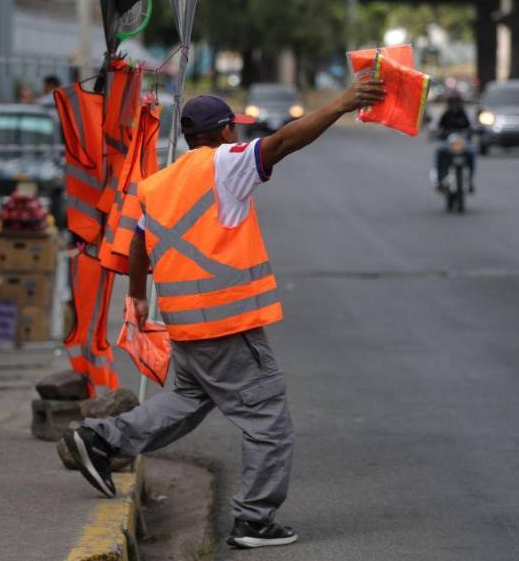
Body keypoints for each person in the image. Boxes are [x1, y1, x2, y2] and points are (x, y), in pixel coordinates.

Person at [63, 78, 386, 549]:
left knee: (182, 404)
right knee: (269, 422)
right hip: (226, 324)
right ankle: (254, 519)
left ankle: (99, 440)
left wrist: (135, 295)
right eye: (233, 130)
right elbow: (282, 142)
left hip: (185, 324)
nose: (238, 137)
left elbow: (136, 240)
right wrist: (342, 103)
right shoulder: (227, 165)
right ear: (223, 133)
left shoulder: (157, 185)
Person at [434, 91, 475, 193]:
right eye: (452, 102)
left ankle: (469, 180)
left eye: (456, 101)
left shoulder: (466, 114)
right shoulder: (443, 114)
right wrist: (436, 132)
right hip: (447, 142)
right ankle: (440, 179)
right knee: (439, 152)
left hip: (462, 142)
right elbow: (435, 126)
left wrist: (473, 131)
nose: (454, 104)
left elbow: (473, 126)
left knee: (471, 153)